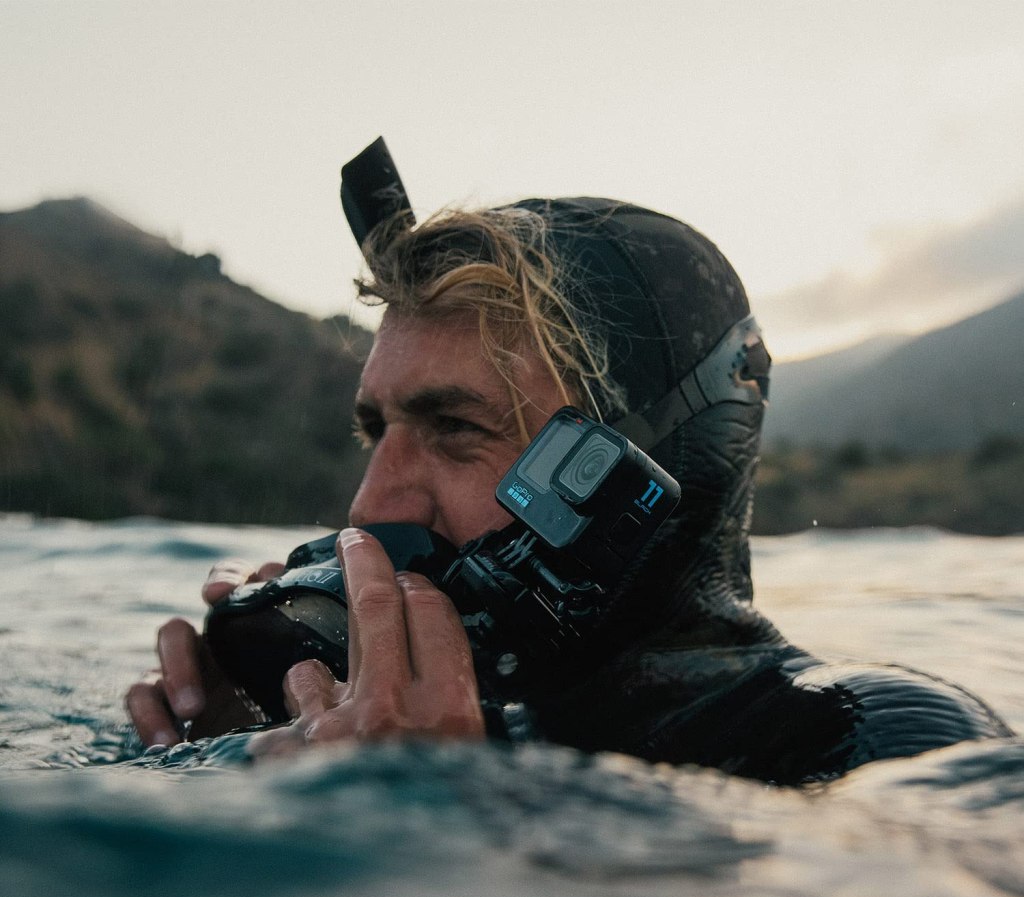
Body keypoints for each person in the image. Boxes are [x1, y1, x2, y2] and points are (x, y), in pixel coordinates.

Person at [126, 175, 1013, 783]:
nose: (371, 502)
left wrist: (415, 815)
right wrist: (230, 755)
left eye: (456, 428)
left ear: (643, 474)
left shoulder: (883, 741)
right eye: (377, 430)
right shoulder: (461, 719)